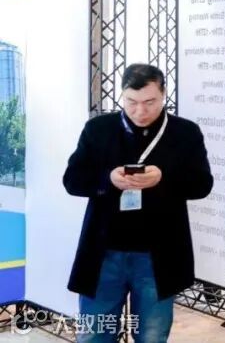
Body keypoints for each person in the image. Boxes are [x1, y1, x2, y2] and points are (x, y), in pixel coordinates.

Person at [64, 64, 213, 343]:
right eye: (131, 102)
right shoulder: (98, 129)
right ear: (122, 95)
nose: (140, 111)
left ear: (164, 93)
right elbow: (72, 181)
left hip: (158, 256)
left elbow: (202, 185)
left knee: (152, 337)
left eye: (150, 102)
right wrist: (108, 179)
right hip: (104, 253)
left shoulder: (185, 133)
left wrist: (163, 178)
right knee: (95, 335)